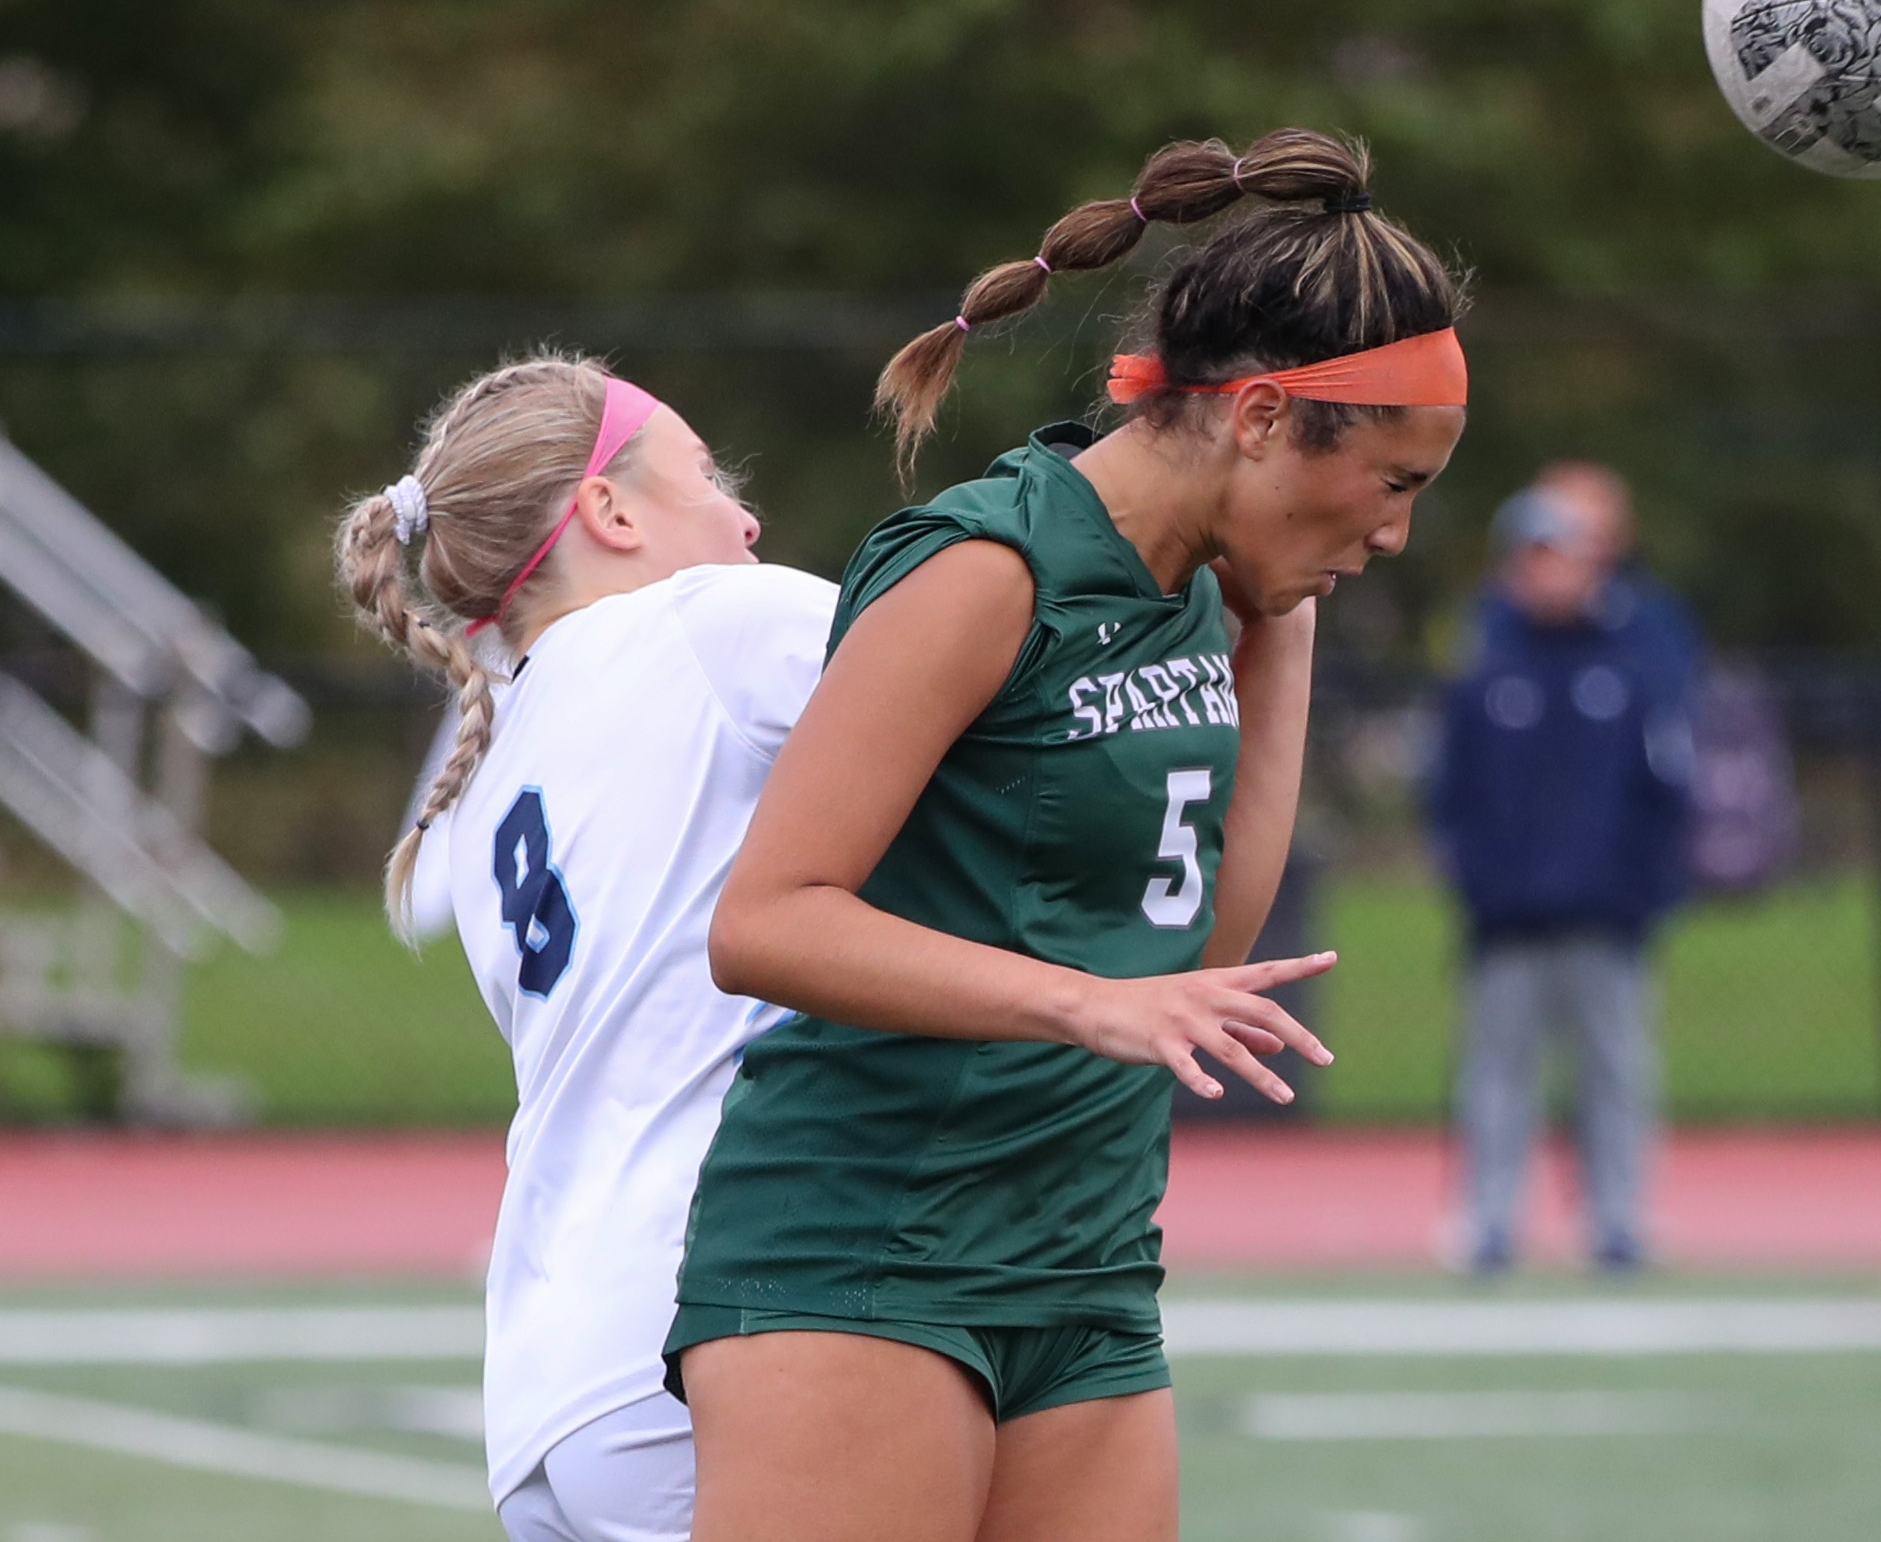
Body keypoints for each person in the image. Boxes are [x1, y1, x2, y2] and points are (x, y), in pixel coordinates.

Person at [667, 128, 1470, 1542]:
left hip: (1086, 1263)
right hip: (868, 1252)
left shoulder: (1190, 587)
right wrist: (1080, 1003)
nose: (1395, 532)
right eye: (1393, 485)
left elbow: (1198, 952)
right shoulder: (992, 568)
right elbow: (767, 921)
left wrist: (1274, 640)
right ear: (1265, 416)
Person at [334, 355, 837, 1542]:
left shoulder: (491, 750)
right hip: (704, 1321)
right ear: (610, 513)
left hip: (547, 1376)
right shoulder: (714, 623)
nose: (745, 513)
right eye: (709, 477)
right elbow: (1008, 676)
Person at [1428, 462, 1699, 1274]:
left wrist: (1641, 884)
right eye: (1530, 553)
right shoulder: (1484, 651)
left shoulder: (1636, 651)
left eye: (1559, 552)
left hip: (1605, 906)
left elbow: (1665, 782)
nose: (1543, 570)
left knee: (1615, 1067)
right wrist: (1475, 875)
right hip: (1506, 909)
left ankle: (1618, 1219)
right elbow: (1452, 785)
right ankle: (1489, 1221)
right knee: (1495, 1070)